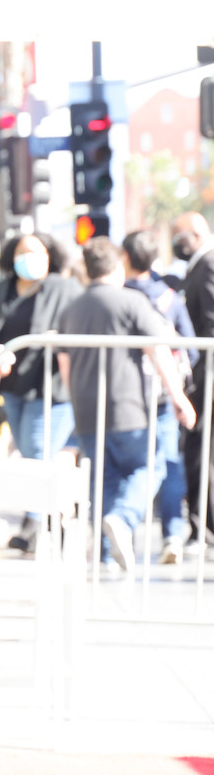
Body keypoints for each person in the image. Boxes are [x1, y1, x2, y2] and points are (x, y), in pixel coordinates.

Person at [57, 237, 196, 572]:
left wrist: (75, 402)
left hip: (87, 408)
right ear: (118, 265)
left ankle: (107, 557)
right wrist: (178, 397)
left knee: (103, 479)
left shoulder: (72, 308)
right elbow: (158, 351)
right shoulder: (132, 301)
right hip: (128, 404)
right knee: (151, 466)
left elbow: (65, 364)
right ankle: (123, 517)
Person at [0, 232, 83, 550]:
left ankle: (35, 524)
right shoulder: (3, 289)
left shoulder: (63, 289)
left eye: (37, 252)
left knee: (38, 452)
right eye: (23, 251)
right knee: (28, 452)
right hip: (13, 388)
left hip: (51, 389)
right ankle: (46, 519)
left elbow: (77, 324)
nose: (29, 258)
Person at [123, 229, 196, 564]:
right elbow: (189, 348)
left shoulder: (117, 294)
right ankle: (171, 535)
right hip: (165, 396)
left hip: (123, 397)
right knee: (167, 463)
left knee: (125, 467)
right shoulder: (169, 296)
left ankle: (120, 536)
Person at [173, 210, 214, 554]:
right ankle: (202, 525)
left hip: (207, 377)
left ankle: (205, 527)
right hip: (200, 376)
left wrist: (200, 375)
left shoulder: (209, 264)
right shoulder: (197, 266)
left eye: (179, 234)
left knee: (202, 450)